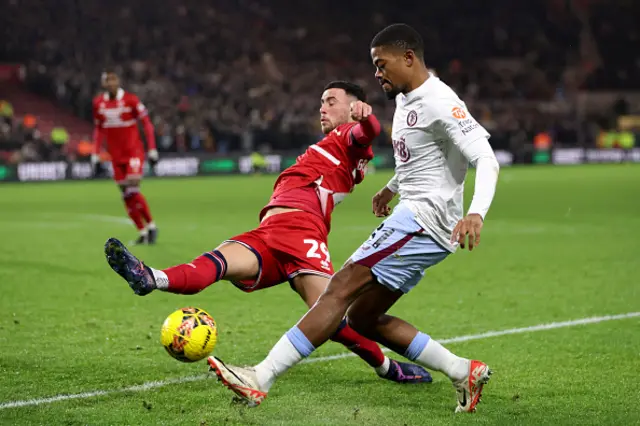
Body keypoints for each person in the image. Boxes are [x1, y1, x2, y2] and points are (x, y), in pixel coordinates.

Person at [207, 24, 501, 414]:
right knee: (362, 317)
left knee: (337, 290)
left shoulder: (439, 100)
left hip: (422, 220)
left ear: (408, 58)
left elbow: (485, 158)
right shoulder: (407, 97)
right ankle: (463, 371)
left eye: (382, 65)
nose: (377, 74)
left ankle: (260, 377)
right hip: (418, 219)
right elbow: (423, 156)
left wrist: (476, 212)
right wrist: (392, 187)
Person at [104, 81, 433, 385]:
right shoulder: (332, 143)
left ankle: (389, 367)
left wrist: (367, 119)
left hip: (302, 230)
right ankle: (150, 278)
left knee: (331, 317)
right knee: (218, 262)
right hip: (270, 231)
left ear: (353, 107)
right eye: (321, 101)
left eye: (331, 101)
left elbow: (368, 132)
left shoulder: (348, 135)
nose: (322, 108)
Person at [92, 69, 159, 244]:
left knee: (133, 187)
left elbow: (147, 124)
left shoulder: (131, 100)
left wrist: (152, 149)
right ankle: (143, 231)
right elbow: (99, 130)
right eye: (107, 80)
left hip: (133, 152)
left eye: (113, 79)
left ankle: (151, 225)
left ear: (118, 81)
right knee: (126, 194)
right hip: (115, 156)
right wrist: (96, 153)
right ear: (103, 83)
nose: (111, 83)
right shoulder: (98, 103)